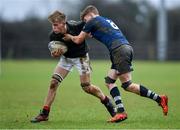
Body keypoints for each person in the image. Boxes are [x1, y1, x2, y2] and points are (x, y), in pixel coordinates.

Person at [63, 5, 168, 123]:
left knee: (127, 85)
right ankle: (122, 111)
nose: (85, 23)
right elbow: (101, 34)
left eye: (85, 20)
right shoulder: (105, 20)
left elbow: (78, 40)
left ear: (91, 14)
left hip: (119, 50)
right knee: (109, 82)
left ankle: (157, 100)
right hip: (123, 48)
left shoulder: (92, 21)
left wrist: (69, 37)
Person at [30, 10, 116, 123]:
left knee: (86, 87)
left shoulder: (76, 26)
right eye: (52, 25)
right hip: (66, 59)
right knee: (53, 83)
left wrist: (92, 32)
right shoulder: (52, 35)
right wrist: (54, 54)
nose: (54, 27)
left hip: (81, 58)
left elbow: (90, 26)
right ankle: (44, 113)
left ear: (63, 22)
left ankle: (106, 101)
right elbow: (54, 51)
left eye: (56, 24)